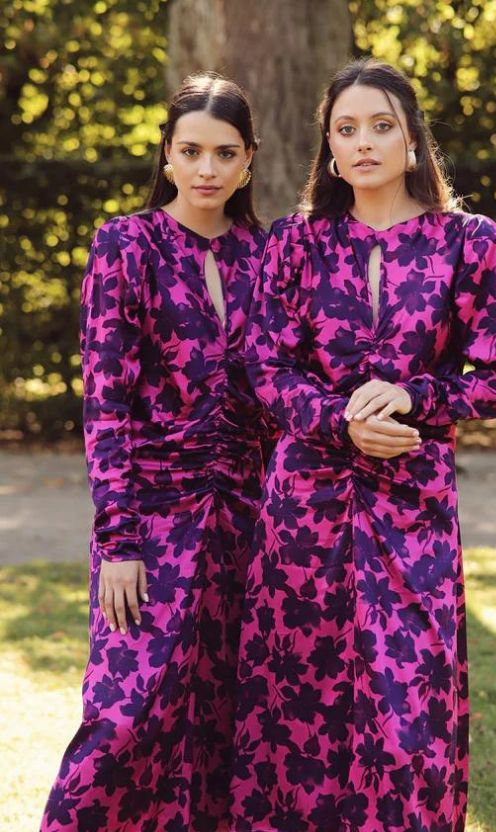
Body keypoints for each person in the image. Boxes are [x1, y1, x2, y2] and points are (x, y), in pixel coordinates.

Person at [230, 58, 496, 832]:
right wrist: (338, 421)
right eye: (347, 129)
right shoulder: (294, 243)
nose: (365, 142)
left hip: (414, 502)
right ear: (330, 150)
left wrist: (415, 395)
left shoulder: (472, 242)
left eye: (382, 125)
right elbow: (262, 366)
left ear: (411, 139)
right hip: (304, 506)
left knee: (411, 718)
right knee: (297, 714)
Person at [41, 72, 267, 832]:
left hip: (249, 521)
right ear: (167, 156)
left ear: (248, 162)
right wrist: (118, 542)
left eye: (225, 153)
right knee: (124, 718)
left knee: (225, 726)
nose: (208, 168)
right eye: (192, 150)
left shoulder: (267, 257)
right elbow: (105, 404)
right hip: (152, 521)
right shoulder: (125, 245)